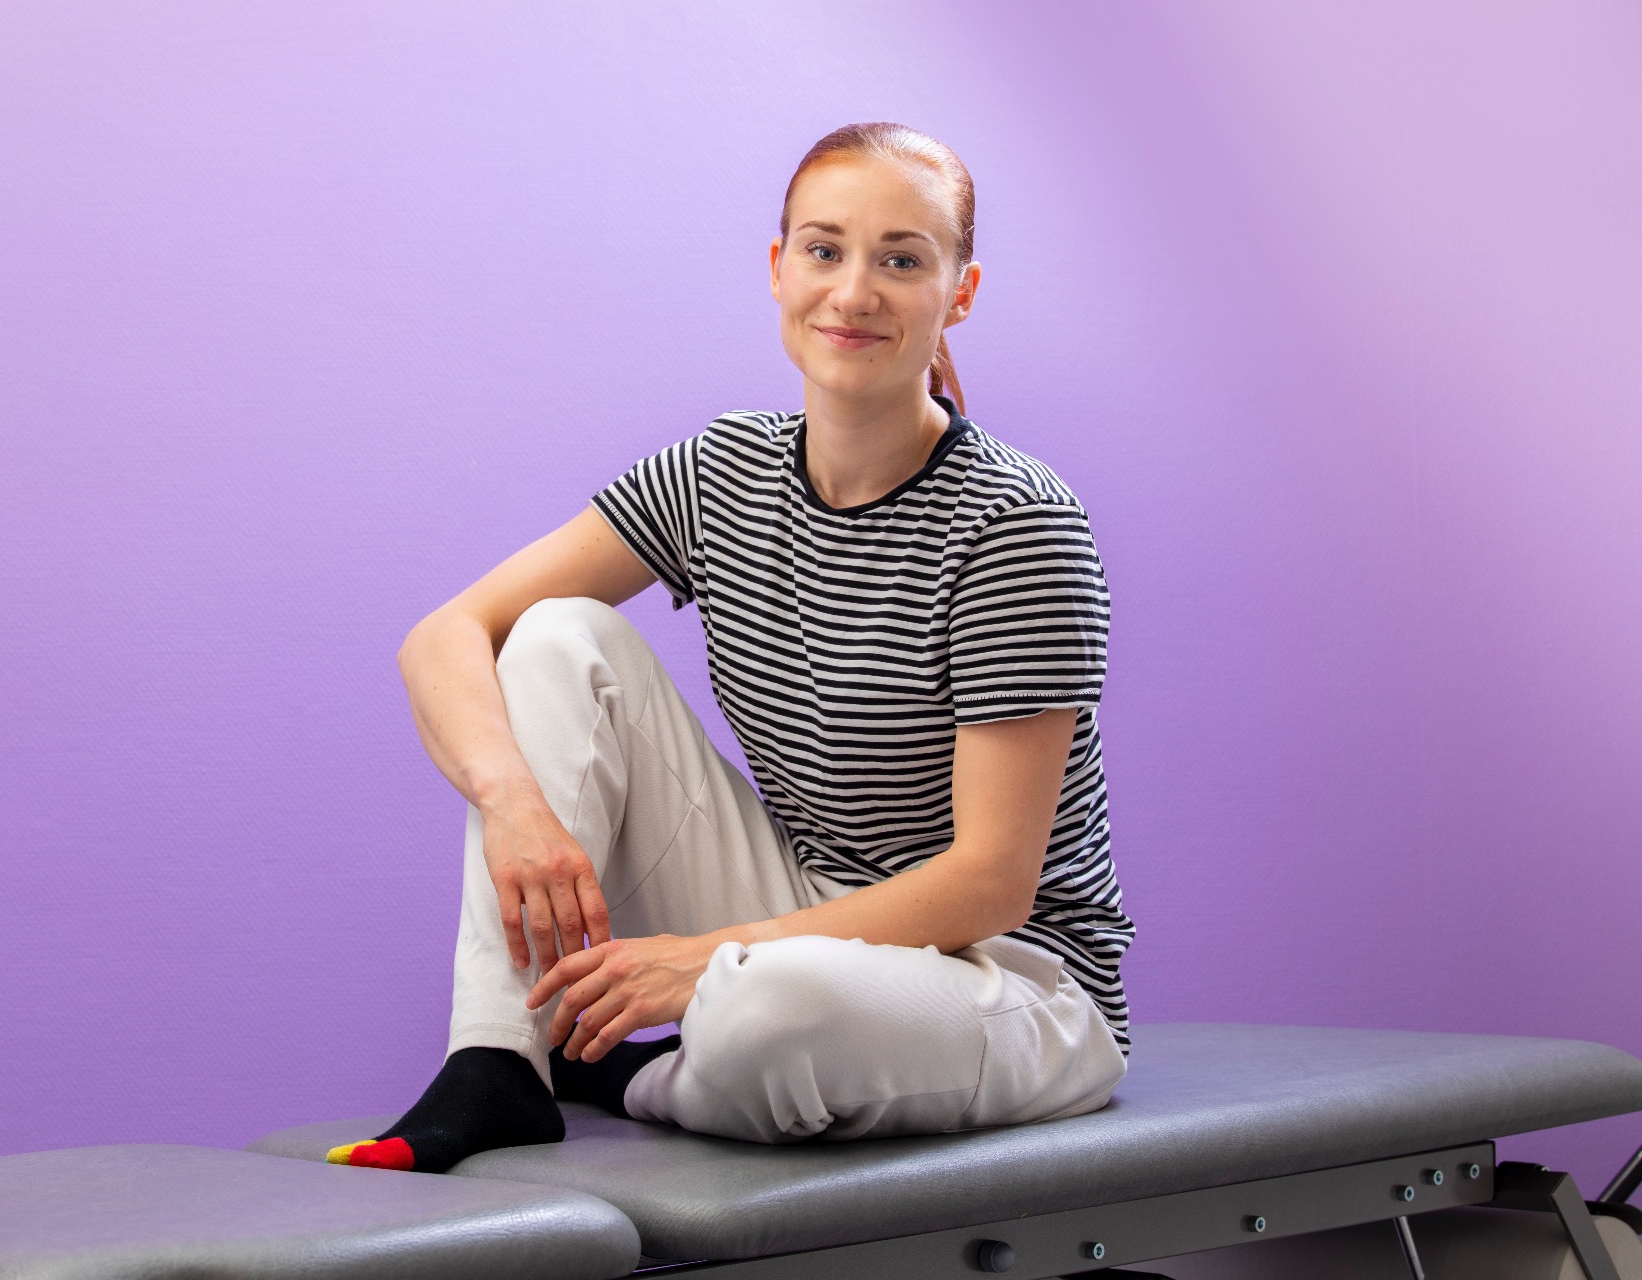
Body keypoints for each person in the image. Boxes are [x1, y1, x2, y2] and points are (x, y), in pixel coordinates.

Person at [328, 122, 1135, 1175]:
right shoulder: (721, 471)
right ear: (778, 267)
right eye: (824, 249)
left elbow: (992, 882)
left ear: (961, 292)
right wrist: (515, 806)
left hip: (1006, 975)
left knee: (770, 1011)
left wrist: (705, 961)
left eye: (901, 260)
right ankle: (498, 1059)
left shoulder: (1015, 522)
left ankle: (638, 1076)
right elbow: (445, 635)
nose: (854, 291)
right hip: (803, 904)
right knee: (556, 633)